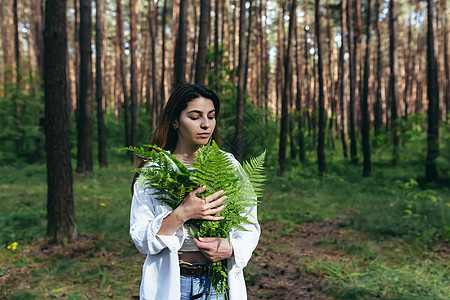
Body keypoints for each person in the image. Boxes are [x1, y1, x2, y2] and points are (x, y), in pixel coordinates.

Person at [129, 83, 260, 300]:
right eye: (195, 116)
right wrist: (183, 213)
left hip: (217, 283)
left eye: (211, 116)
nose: (205, 124)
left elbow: (249, 222)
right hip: (172, 283)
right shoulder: (155, 171)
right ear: (174, 122)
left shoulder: (228, 165)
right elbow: (141, 239)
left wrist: (231, 249)